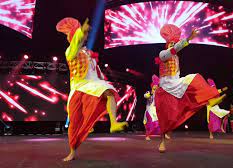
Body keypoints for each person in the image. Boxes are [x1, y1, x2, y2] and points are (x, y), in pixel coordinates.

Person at [56, 17, 128, 161]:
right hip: (79, 87)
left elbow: (96, 71)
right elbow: (75, 44)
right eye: (82, 35)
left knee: (109, 91)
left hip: (93, 83)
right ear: (74, 37)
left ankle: (113, 123)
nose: (85, 37)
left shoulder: (88, 53)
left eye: (86, 35)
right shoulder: (71, 51)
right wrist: (81, 32)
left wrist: (102, 81)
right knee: (74, 124)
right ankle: (72, 151)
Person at [154, 24, 220, 152]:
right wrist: (188, 38)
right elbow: (173, 50)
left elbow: (175, 52)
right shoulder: (163, 54)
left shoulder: (176, 57)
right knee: (166, 117)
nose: (173, 45)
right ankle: (162, 141)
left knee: (195, 78)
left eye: (174, 43)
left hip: (176, 84)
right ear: (167, 44)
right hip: (165, 88)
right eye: (171, 43)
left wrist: (187, 40)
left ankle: (207, 99)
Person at [143, 75, 161, 140]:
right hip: (149, 110)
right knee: (150, 123)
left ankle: (163, 134)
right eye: (154, 87)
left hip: (155, 111)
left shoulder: (158, 95)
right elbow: (145, 96)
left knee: (157, 124)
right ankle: (147, 135)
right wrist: (150, 94)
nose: (155, 88)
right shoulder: (149, 93)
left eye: (157, 87)